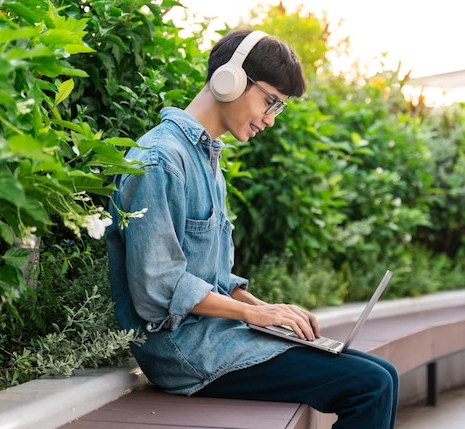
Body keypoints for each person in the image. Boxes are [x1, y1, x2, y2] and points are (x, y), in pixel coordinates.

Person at [106, 28, 399, 429]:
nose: (269, 120)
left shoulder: (206, 158)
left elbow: (214, 279)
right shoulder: (160, 161)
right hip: (185, 351)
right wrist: (252, 314)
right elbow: (157, 288)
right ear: (229, 79)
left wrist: (267, 310)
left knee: (385, 375)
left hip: (218, 335)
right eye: (269, 102)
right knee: (370, 386)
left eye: (278, 108)